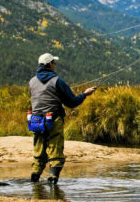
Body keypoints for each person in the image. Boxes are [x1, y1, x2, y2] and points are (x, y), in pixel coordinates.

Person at [29, 53, 96, 184]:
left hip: (35, 120)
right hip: (53, 119)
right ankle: (53, 180)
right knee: (55, 149)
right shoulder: (57, 81)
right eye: (54, 62)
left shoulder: (31, 81)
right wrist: (85, 94)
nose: (55, 65)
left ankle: (35, 178)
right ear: (50, 64)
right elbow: (72, 102)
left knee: (39, 150)